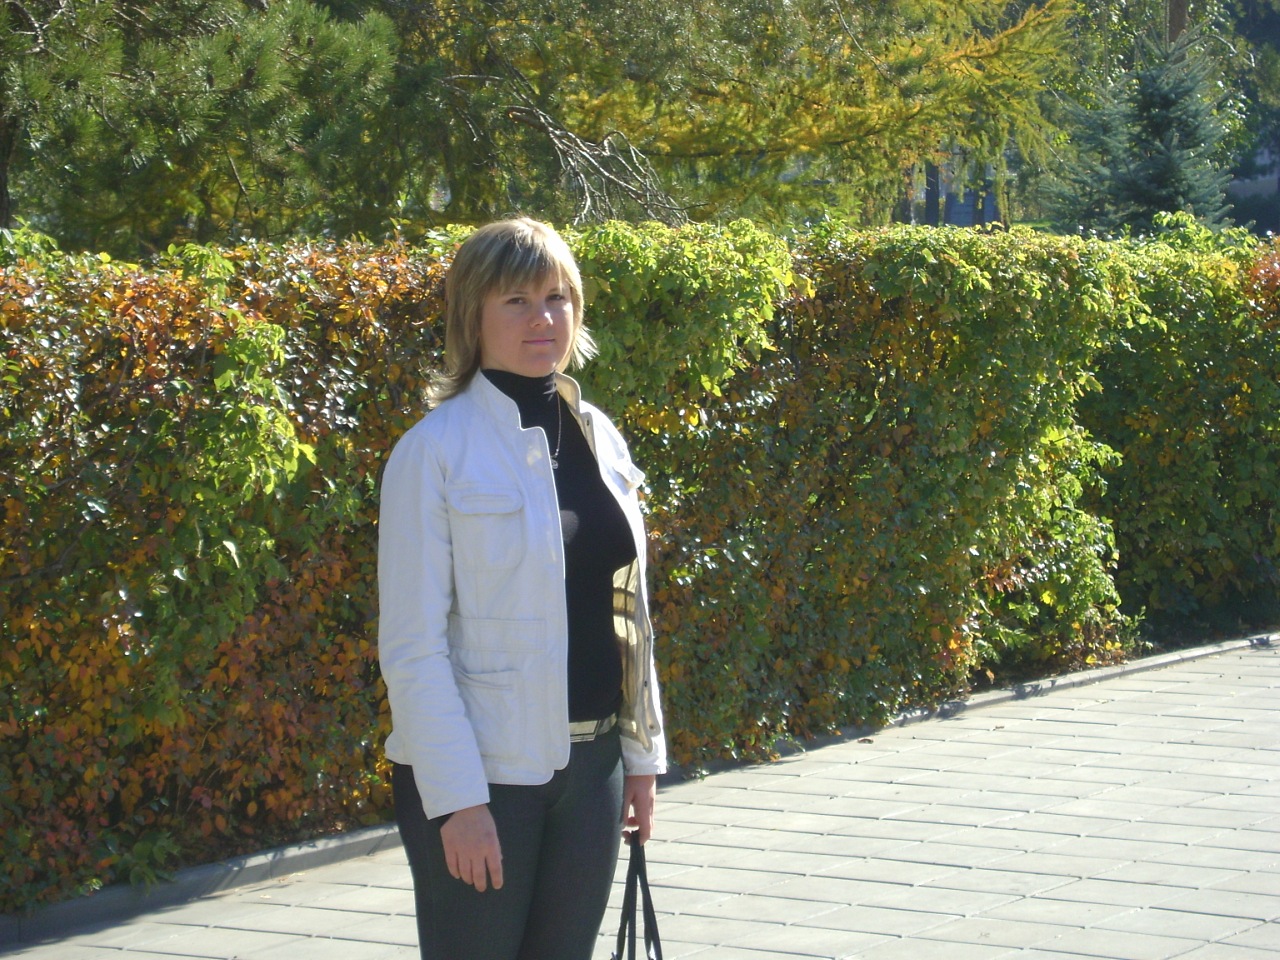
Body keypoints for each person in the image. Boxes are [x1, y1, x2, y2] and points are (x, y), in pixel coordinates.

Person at [377, 217, 667, 960]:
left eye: (556, 297)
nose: (544, 318)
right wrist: (457, 802)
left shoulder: (600, 435)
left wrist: (641, 760)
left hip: (594, 773)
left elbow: (628, 614)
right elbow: (412, 647)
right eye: (516, 301)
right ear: (471, 315)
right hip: (485, 783)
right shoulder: (432, 453)